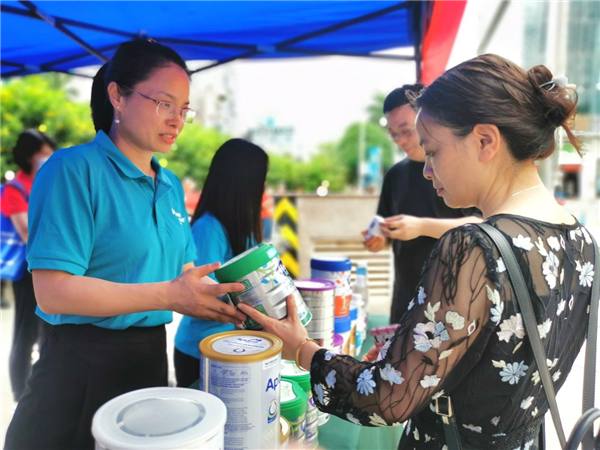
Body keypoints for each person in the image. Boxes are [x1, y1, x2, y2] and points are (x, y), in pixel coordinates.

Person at [240, 54, 595, 450]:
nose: (426, 170)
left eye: (432, 151)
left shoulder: (473, 248)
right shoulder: (581, 240)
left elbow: (388, 399)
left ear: (485, 141)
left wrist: (305, 351)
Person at [5, 40, 245, 450]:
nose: (177, 120)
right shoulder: (73, 170)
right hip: (80, 364)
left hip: (150, 359)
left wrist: (233, 297)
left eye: (184, 109)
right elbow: (54, 289)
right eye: (165, 104)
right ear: (117, 95)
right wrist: (169, 295)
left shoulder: (167, 185)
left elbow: (183, 274)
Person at [363, 84, 481, 324]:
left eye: (407, 131)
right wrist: (379, 238)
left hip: (452, 300)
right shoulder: (395, 174)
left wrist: (421, 227)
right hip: (404, 299)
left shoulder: (456, 168)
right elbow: (388, 226)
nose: (400, 140)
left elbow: (481, 224)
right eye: (394, 134)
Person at [174, 138, 268, 387]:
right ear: (244, 183)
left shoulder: (243, 228)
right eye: (261, 180)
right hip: (201, 351)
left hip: (231, 348)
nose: (264, 188)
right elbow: (204, 293)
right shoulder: (209, 229)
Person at [1, 129, 55, 402]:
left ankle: (39, 389)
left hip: (49, 271)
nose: (48, 159)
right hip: (26, 272)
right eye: (42, 154)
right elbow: (28, 233)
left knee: (47, 332)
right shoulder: (15, 189)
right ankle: (19, 394)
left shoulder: (47, 184)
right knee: (25, 333)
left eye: (50, 153)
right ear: (27, 156)